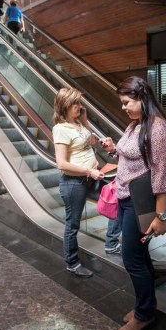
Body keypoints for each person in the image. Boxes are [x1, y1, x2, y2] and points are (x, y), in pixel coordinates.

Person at [100, 76, 166, 330]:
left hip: (140, 206)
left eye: (126, 102)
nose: (123, 108)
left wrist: (161, 215)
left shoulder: (158, 129)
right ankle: (145, 305)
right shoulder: (136, 125)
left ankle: (145, 314)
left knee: (132, 258)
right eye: (121, 103)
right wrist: (114, 149)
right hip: (125, 200)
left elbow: (163, 175)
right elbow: (132, 156)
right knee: (140, 256)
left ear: (142, 97)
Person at [53, 87, 103, 278]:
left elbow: (91, 143)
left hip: (90, 179)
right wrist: (89, 170)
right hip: (74, 183)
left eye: (79, 103)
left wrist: (84, 121)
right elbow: (62, 163)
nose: (79, 107)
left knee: (116, 203)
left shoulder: (78, 124)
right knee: (73, 225)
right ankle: (72, 263)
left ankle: (112, 243)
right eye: (75, 104)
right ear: (65, 105)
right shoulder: (60, 129)